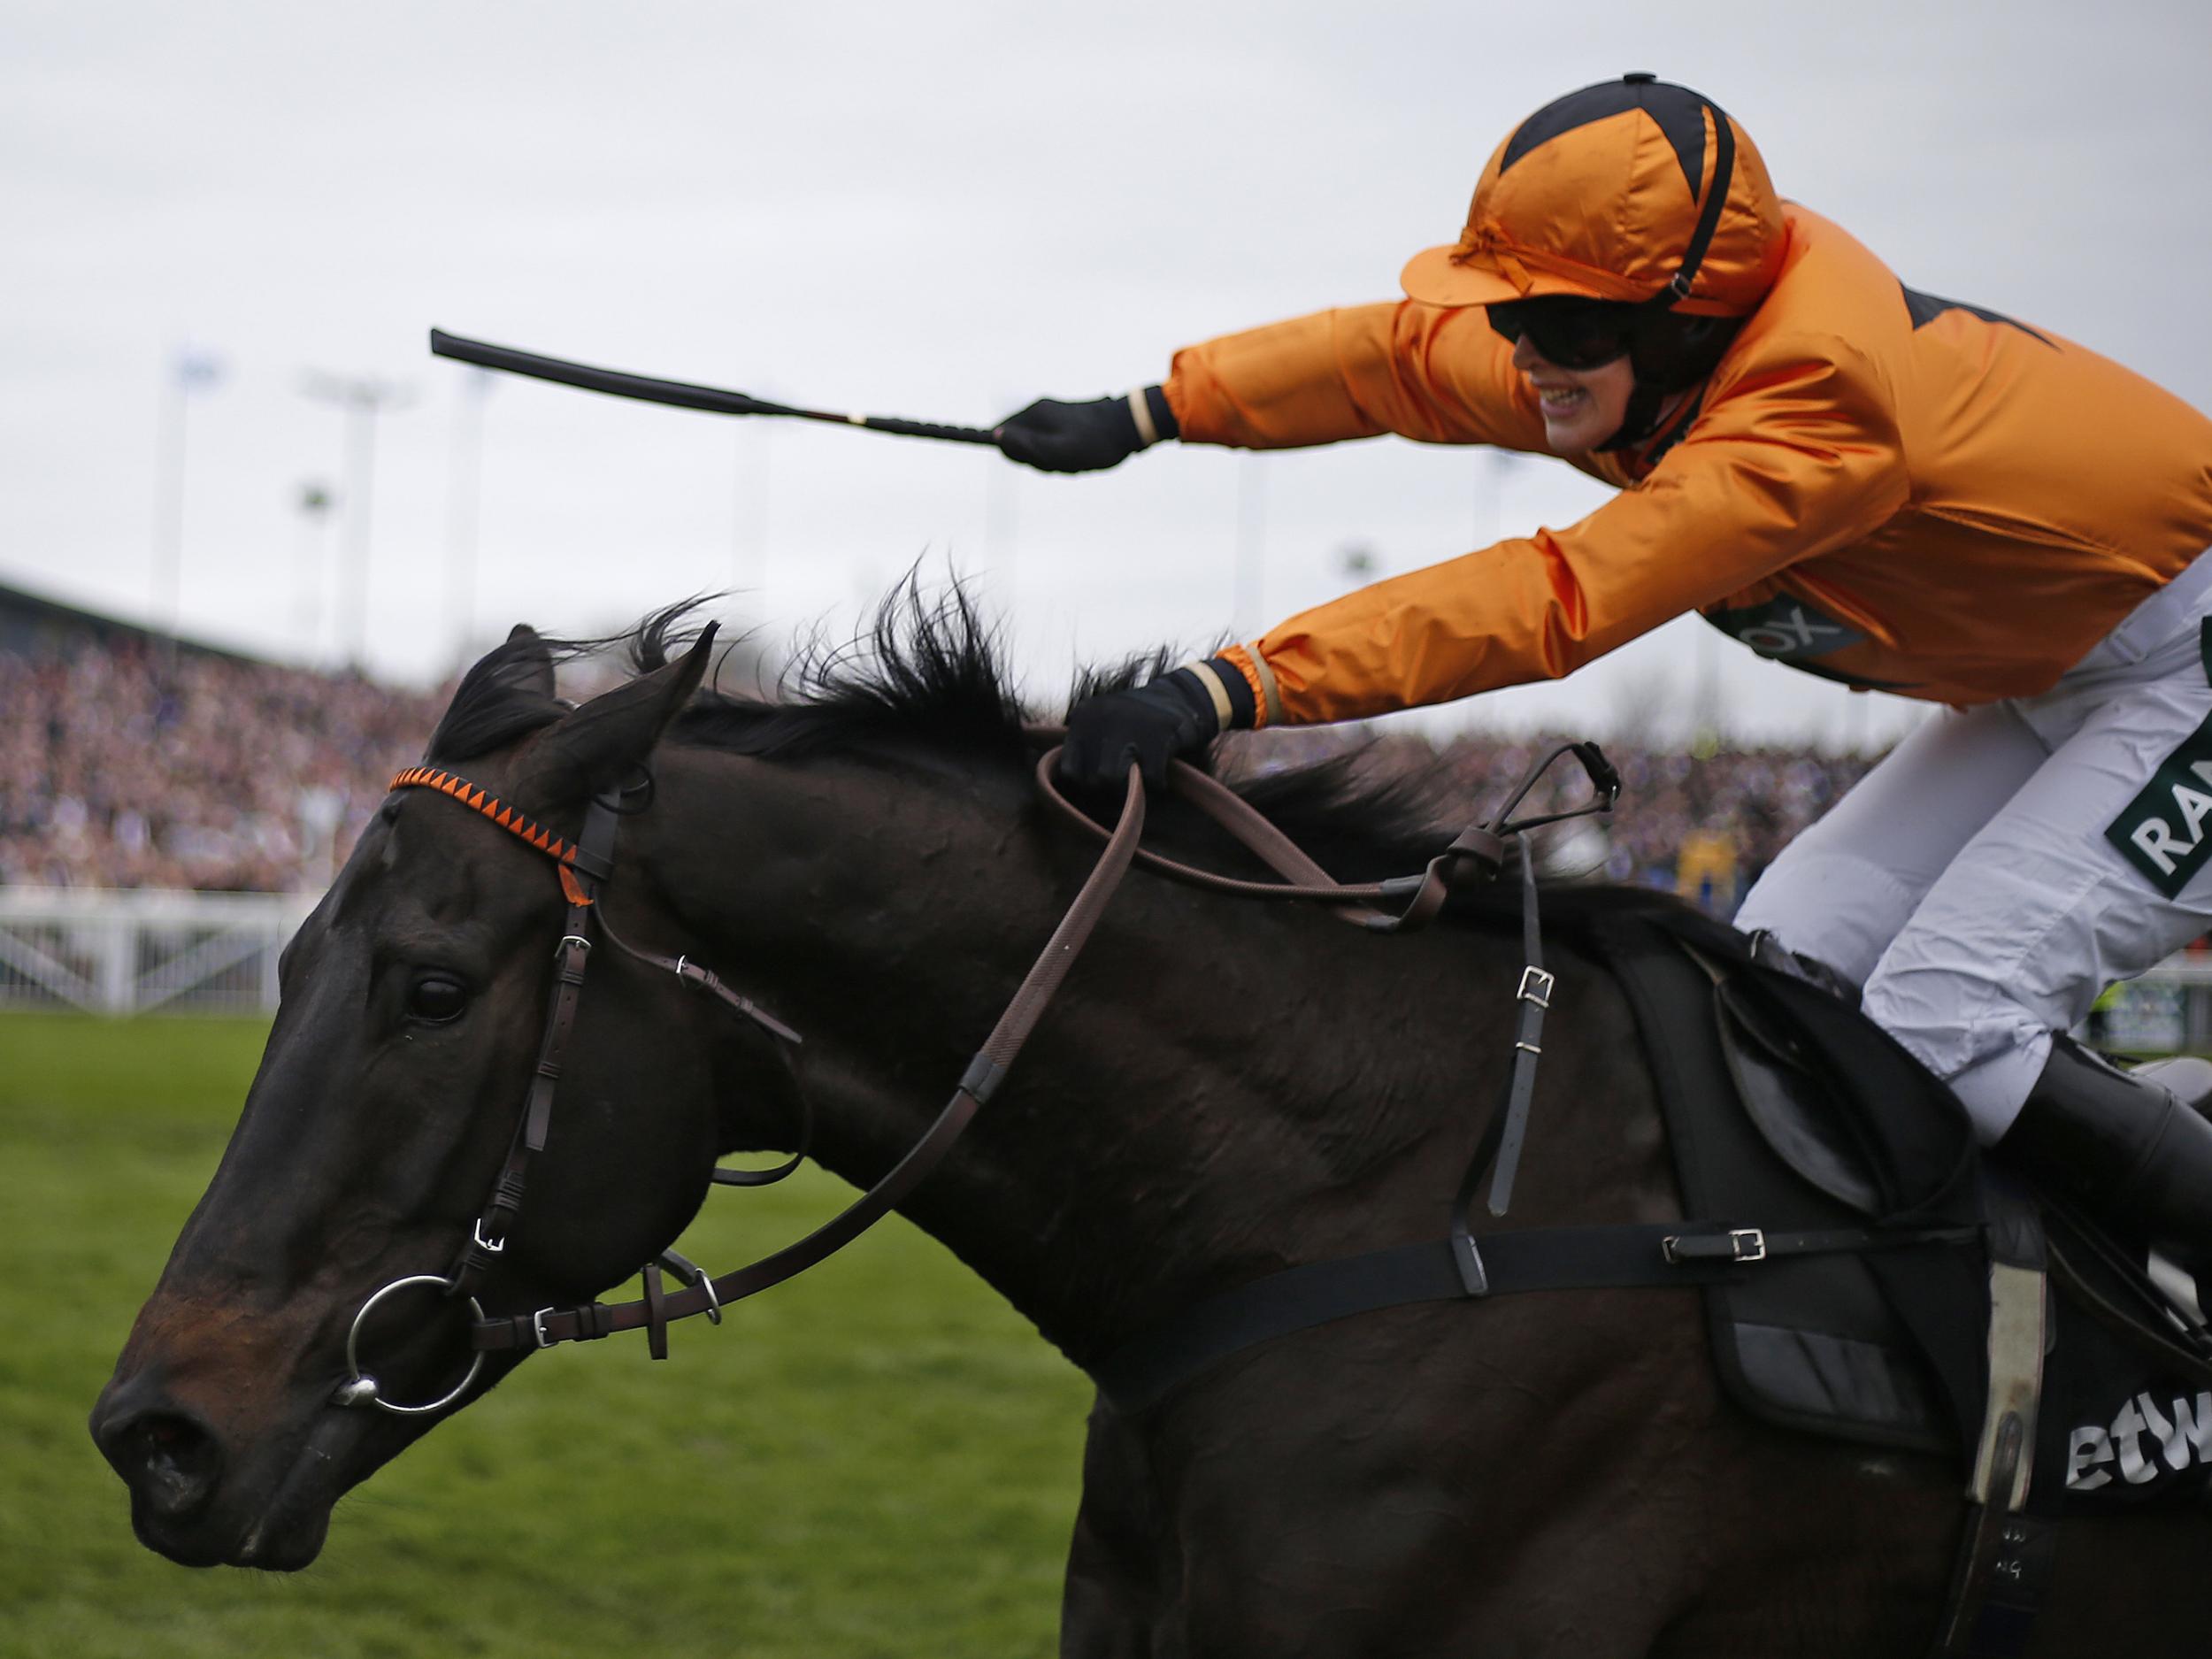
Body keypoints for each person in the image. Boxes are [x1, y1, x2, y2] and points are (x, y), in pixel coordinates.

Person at [995, 73, 2212, 1268]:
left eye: (1563, 326)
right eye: (1512, 318)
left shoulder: (1819, 405)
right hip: (2071, 669)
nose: (1525, 357)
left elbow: (1558, 597)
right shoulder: (1617, 357)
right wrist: (1150, 410)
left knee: (1946, 1020)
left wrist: (1233, 685)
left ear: (1692, 318)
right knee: (1789, 969)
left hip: (2185, 666)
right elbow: (1393, 356)